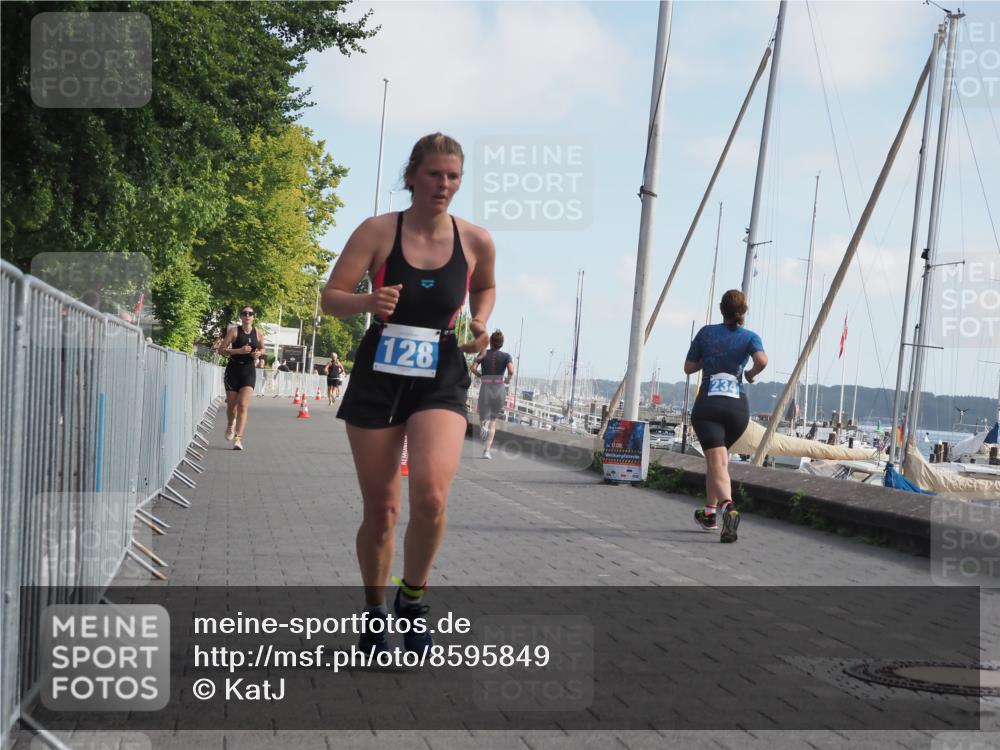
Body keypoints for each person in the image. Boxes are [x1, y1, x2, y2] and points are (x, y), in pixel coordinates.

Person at [321, 133, 495, 655]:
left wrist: (481, 320)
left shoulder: (475, 240)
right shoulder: (377, 231)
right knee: (382, 511)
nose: (444, 185)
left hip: (441, 369)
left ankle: (413, 599)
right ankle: (375, 614)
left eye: (454, 176)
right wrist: (368, 300)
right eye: (435, 174)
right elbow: (330, 299)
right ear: (413, 176)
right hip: (380, 371)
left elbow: (484, 285)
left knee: (432, 495)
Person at [683, 289, 767, 543]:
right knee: (718, 462)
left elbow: (688, 368)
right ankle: (709, 514)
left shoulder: (706, 333)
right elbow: (762, 361)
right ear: (743, 313)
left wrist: (705, 360)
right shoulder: (750, 337)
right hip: (737, 409)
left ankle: (728, 508)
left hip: (709, 405)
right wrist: (751, 375)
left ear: (722, 309)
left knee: (716, 462)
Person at [220, 307, 265, 451]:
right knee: (231, 406)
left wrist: (257, 353)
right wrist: (238, 351)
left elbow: (262, 348)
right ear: (241, 316)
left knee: (243, 406)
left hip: (248, 370)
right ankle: (229, 425)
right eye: (244, 313)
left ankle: (238, 439)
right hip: (233, 370)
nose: (247, 316)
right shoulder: (234, 331)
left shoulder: (258, 333)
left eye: (250, 314)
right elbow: (221, 350)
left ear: (254, 317)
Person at [471, 330, 514, 459]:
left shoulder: (483, 354)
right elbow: (511, 371)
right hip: (499, 389)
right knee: (493, 421)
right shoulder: (507, 356)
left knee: (483, 416)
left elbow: (472, 367)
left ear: (490, 342)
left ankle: (483, 423)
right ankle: (487, 451)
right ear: (502, 344)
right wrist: (508, 379)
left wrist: (480, 375)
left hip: (486, 388)